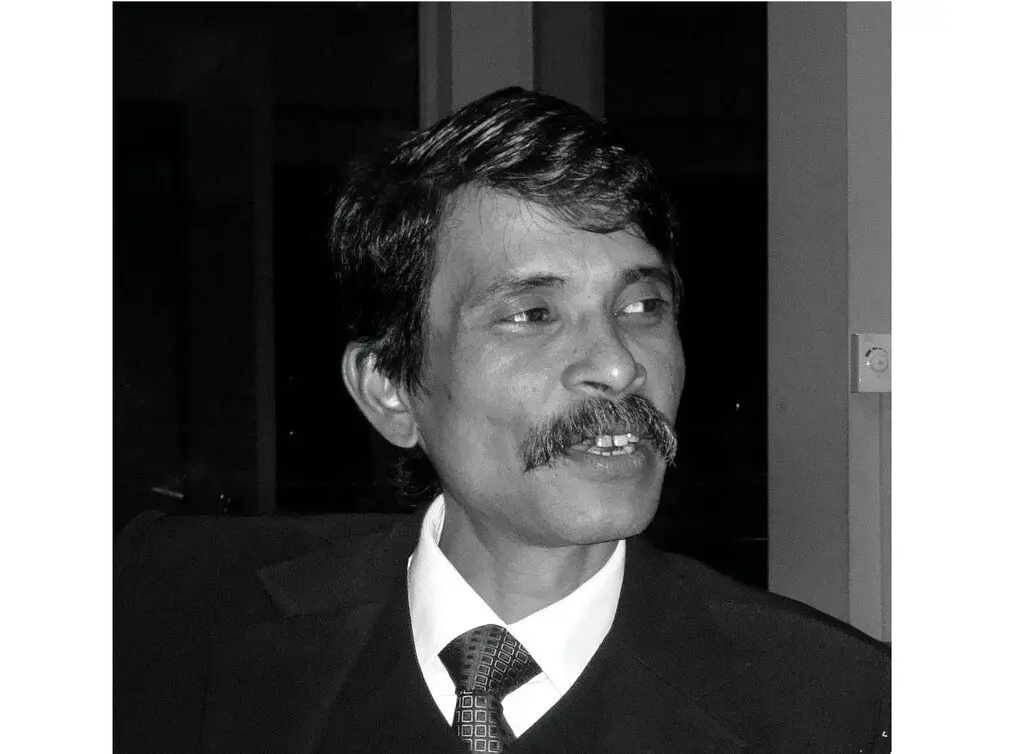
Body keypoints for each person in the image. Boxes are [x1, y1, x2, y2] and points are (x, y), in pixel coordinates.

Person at [114, 88, 890, 752]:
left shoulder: (833, 706)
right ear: (390, 389)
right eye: (533, 313)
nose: (619, 364)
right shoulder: (168, 609)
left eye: (643, 306)